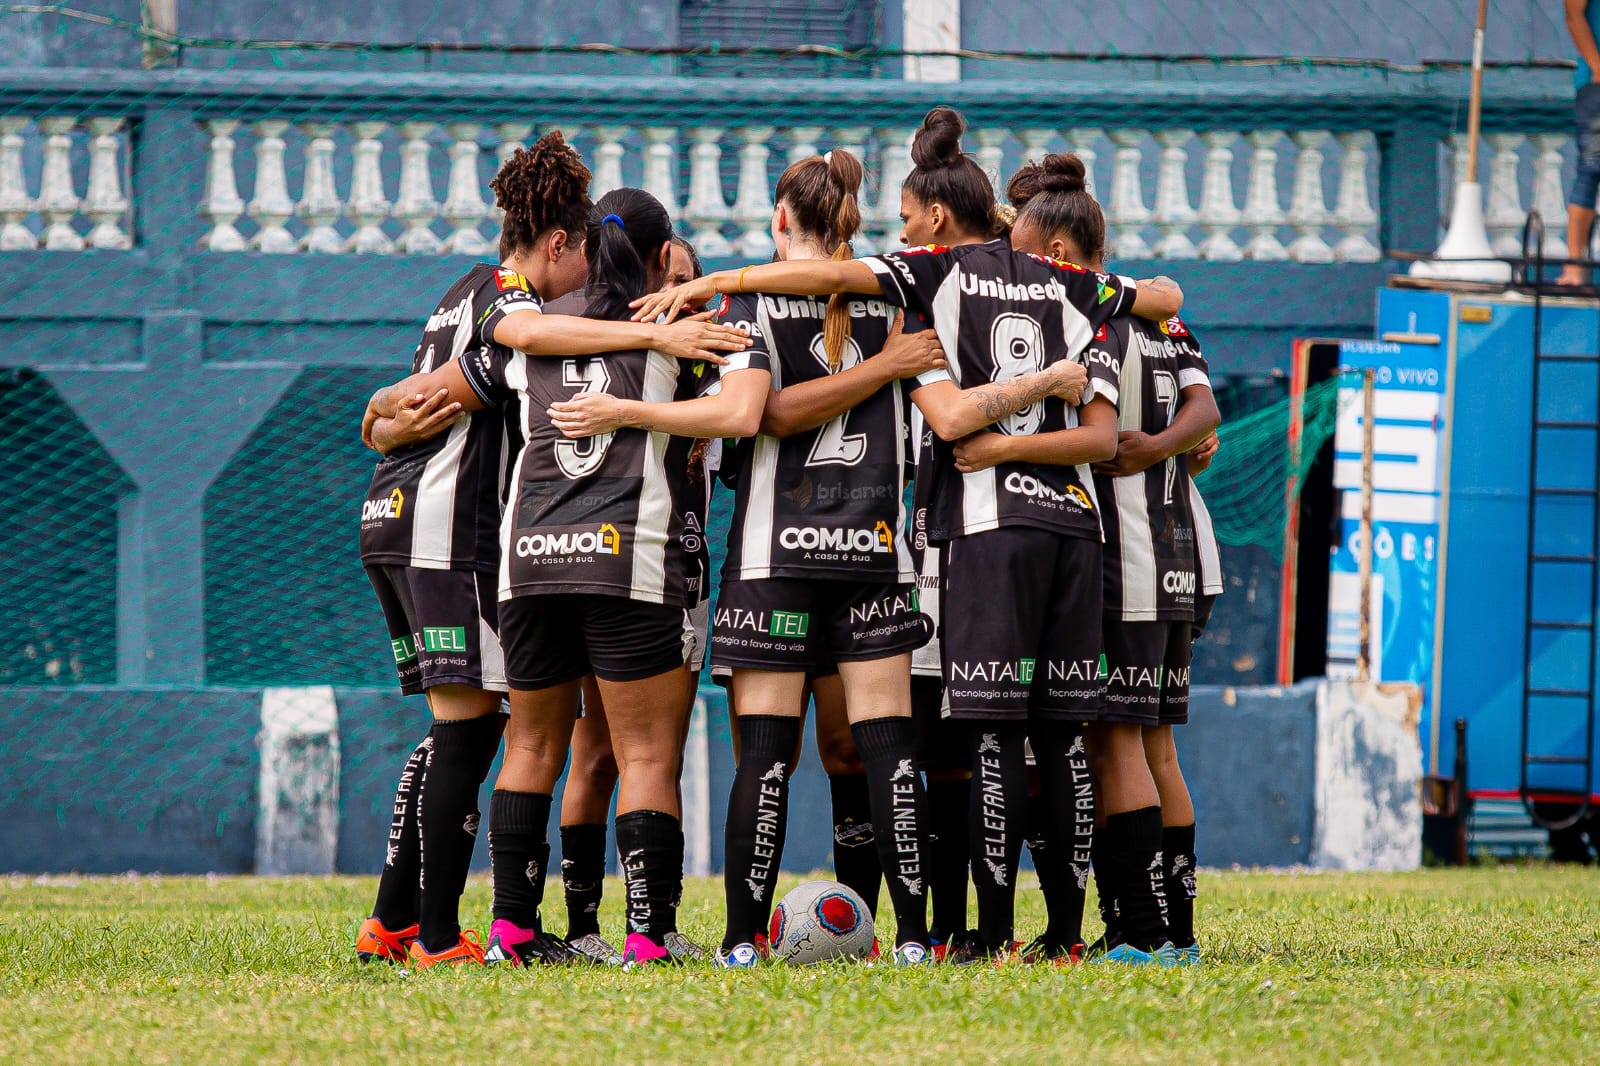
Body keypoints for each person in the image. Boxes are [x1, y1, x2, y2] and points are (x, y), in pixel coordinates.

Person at [633, 105, 1183, 963]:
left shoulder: (879, 289)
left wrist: (711, 285)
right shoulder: (998, 301)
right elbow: (1151, 305)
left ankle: (751, 942)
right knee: (943, 747)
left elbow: (780, 394)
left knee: (793, 753)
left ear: (781, 219)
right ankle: (941, 937)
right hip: (941, 546)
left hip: (826, 547)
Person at [552, 149, 977, 966]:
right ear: (848, 216)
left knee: (765, 759)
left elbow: (765, 417)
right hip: (872, 555)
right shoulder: (897, 307)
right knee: (889, 750)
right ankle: (917, 938)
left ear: (780, 219)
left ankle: (743, 941)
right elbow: (941, 410)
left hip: (774, 555)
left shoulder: (747, 315)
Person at [356, 139, 751, 968]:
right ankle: (613, 937)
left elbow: (423, 393)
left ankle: (461, 926)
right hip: (549, 546)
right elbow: (740, 416)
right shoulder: (564, 319)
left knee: (498, 737)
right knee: (555, 744)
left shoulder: (497, 316)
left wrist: (379, 418)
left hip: (485, 546)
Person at [544, 234, 714, 966]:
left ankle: (644, 923)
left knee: (644, 752)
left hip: (676, 559)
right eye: (663, 277)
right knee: (608, 751)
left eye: (686, 283)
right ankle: (600, 926)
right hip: (634, 562)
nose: (672, 291)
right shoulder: (628, 354)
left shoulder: (704, 357)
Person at [1560, 0, 1600, 285]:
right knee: (1591, 167)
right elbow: (1574, 16)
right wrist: (1598, 67)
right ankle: (1574, 266)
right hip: (1597, 87)